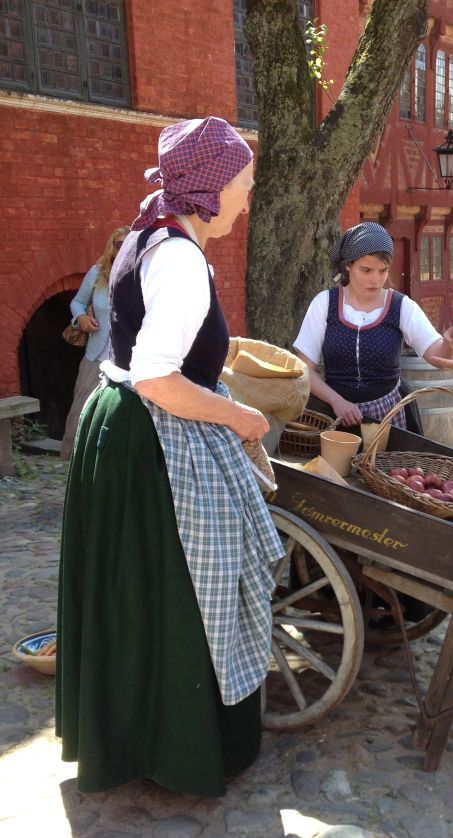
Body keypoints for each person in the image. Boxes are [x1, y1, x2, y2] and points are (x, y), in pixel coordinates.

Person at [55, 116, 283, 797]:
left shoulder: (148, 235)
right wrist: (241, 415)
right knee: (178, 592)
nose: (248, 196)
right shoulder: (179, 257)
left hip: (119, 425)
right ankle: (178, 748)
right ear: (211, 189)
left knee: (135, 593)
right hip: (153, 437)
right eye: (243, 182)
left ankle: (128, 739)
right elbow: (158, 377)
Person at [293, 222, 453, 429]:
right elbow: (305, 368)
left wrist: (450, 343)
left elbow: (440, 358)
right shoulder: (324, 303)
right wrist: (336, 401)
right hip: (334, 413)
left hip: (387, 416)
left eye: (383, 271)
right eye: (367, 270)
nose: (376, 280)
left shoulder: (401, 306)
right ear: (348, 265)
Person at [60, 226, 130, 460]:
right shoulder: (97, 273)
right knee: (83, 412)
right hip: (96, 358)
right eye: (119, 244)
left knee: (119, 420)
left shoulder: (141, 275)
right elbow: (77, 302)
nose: (123, 249)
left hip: (129, 364)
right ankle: (80, 461)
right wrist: (80, 318)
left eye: (128, 244)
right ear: (112, 247)